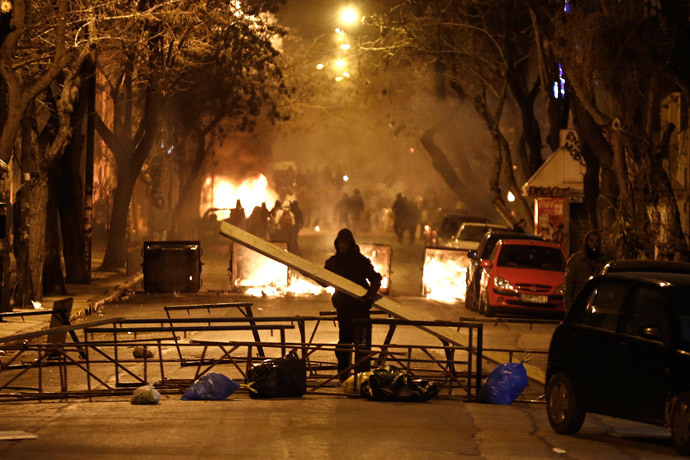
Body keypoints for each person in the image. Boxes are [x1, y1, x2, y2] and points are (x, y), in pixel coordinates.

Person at [324, 228, 382, 383]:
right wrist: (311, 274)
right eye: (340, 243)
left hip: (360, 310)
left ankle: (363, 380)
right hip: (344, 310)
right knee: (344, 345)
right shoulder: (333, 262)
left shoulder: (360, 261)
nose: (342, 246)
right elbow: (324, 280)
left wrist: (368, 297)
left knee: (362, 347)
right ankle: (344, 377)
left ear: (351, 244)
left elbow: (376, 279)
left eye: (345, 243)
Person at [564, 229, 608, 309]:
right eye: (591, 241)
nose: (594, 244)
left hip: (596, 306)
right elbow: (569, 287)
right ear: (586, 242)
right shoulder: (576, 260)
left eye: (597, 241)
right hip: (579, 305)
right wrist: (569, 308)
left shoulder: (603, 261)